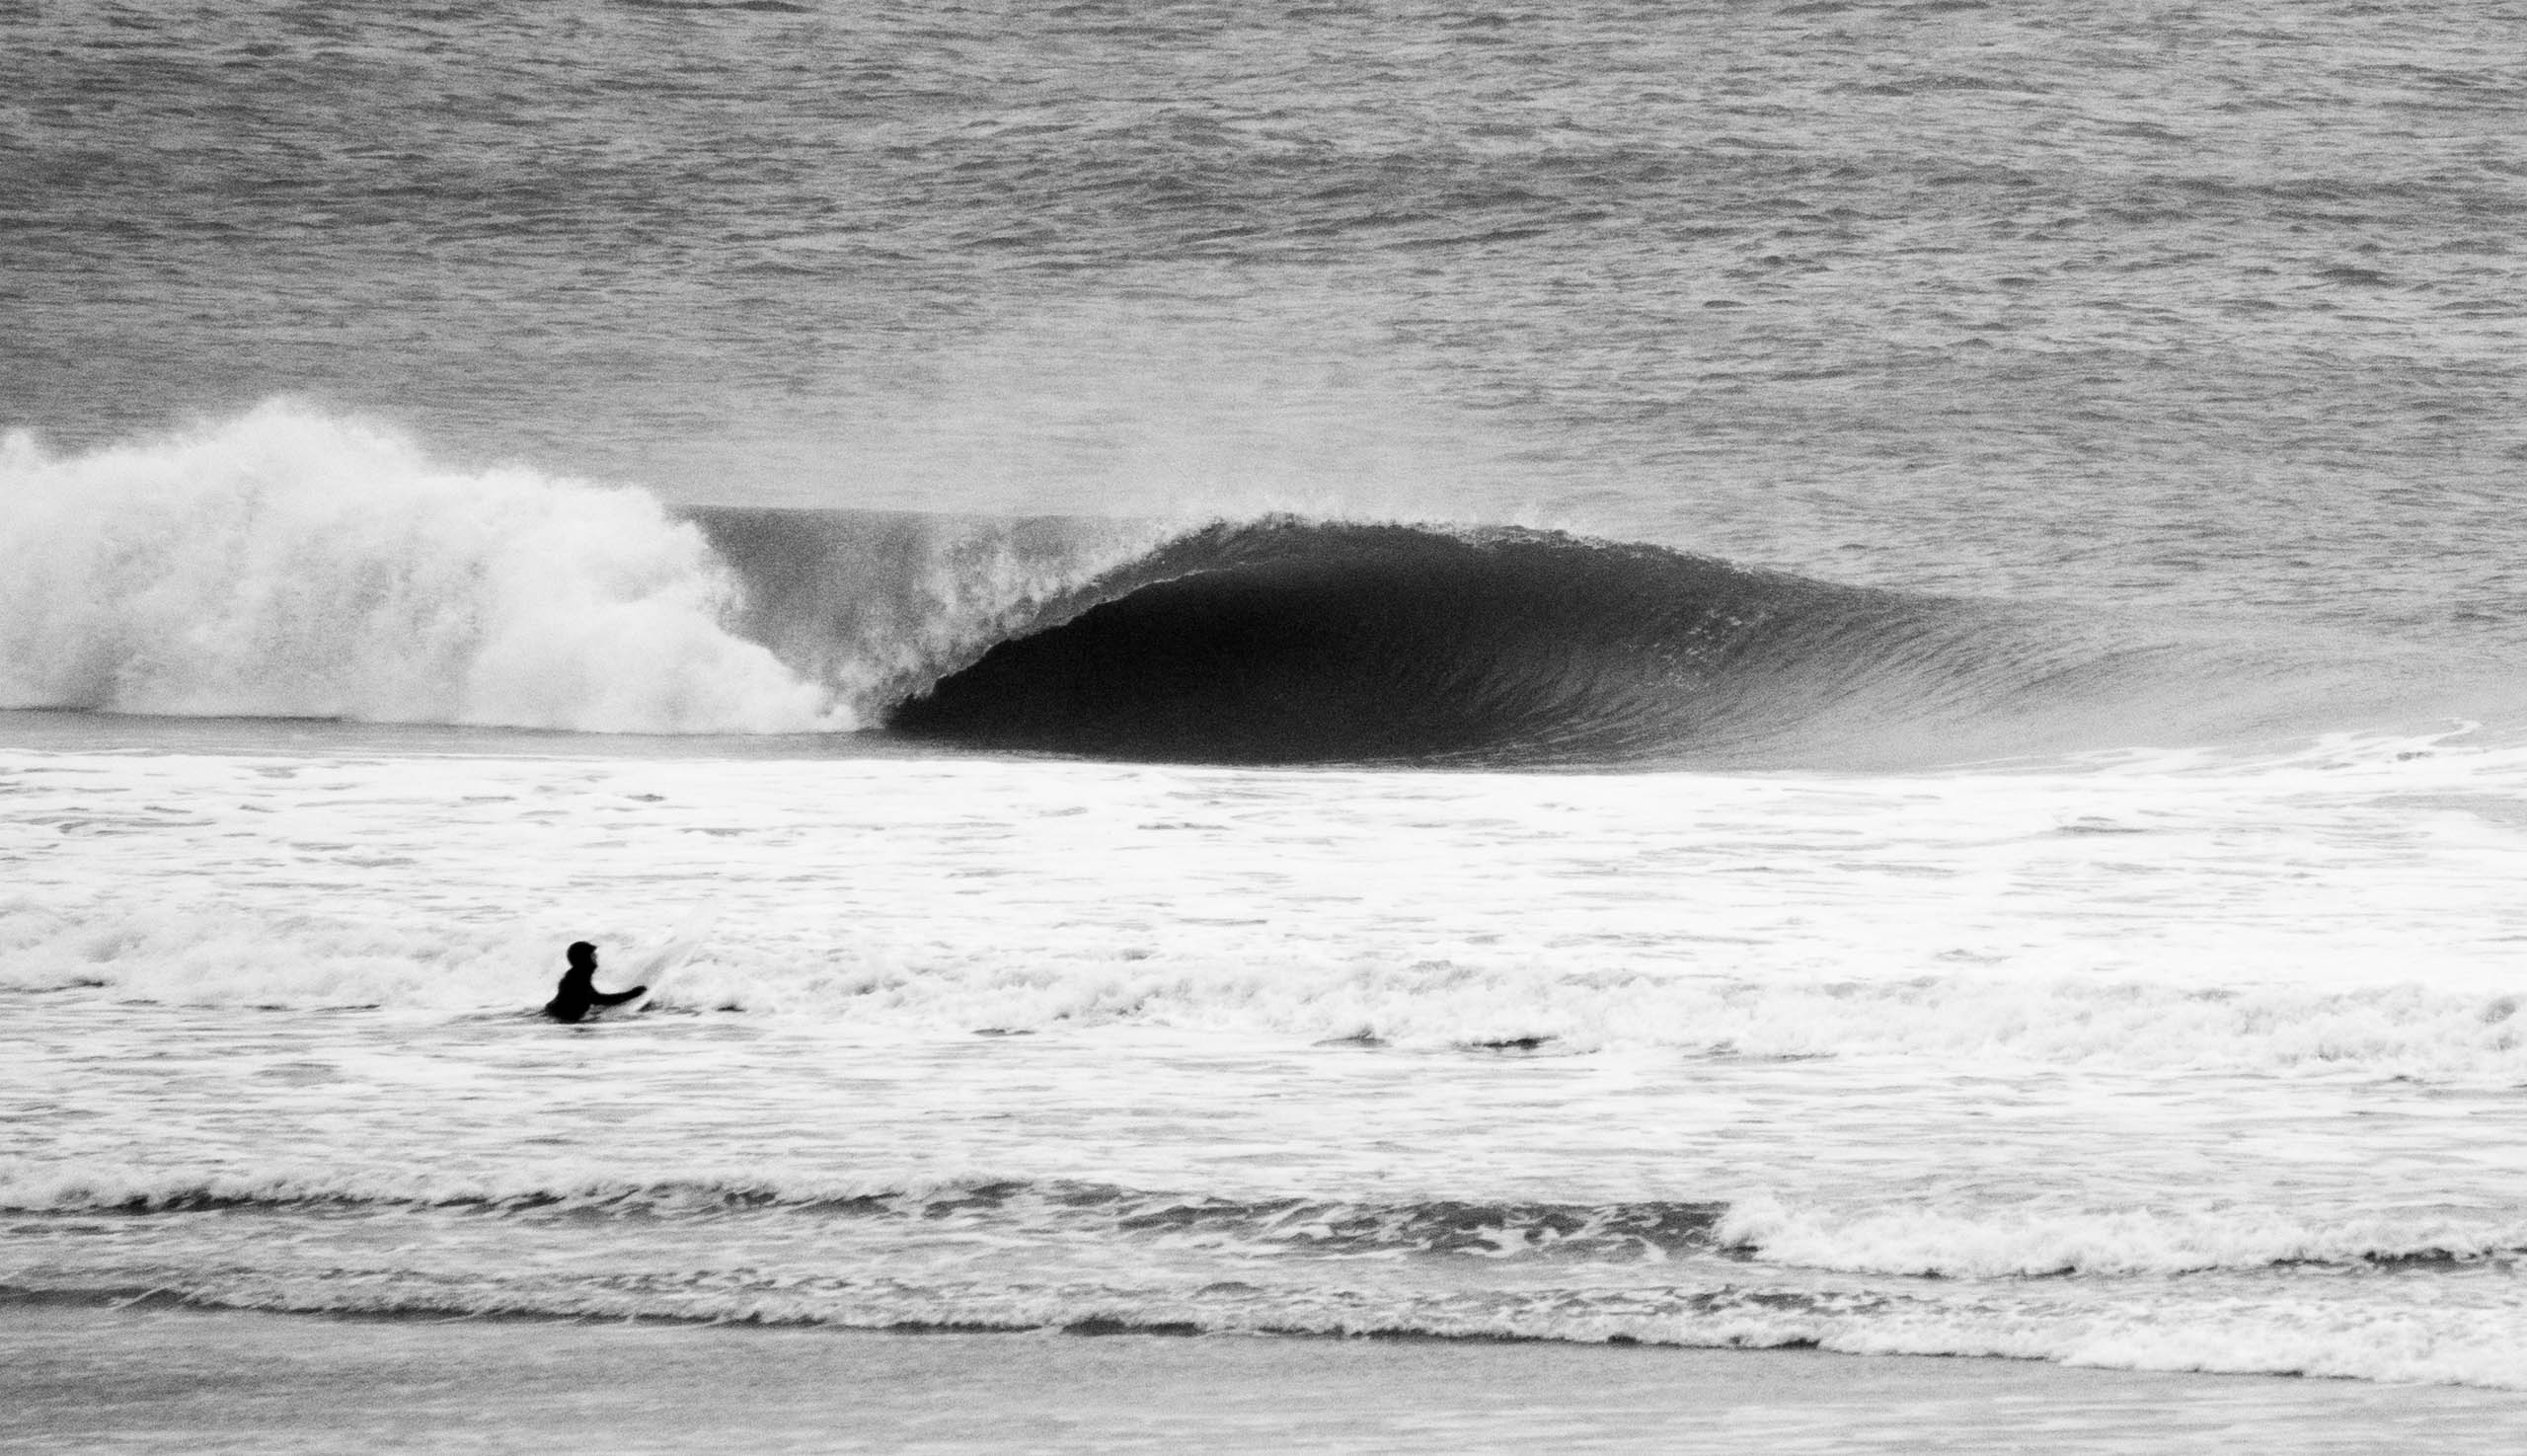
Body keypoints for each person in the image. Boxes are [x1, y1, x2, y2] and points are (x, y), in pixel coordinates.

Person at [543, 942, 648, 1023]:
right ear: (584, 959)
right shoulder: (576, 979)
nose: (596, 957)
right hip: (558, 1019)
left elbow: (594, 998)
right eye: (592, 955)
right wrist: (633, 994)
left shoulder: (577, 975)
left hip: (554, 1016)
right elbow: (599, 999)